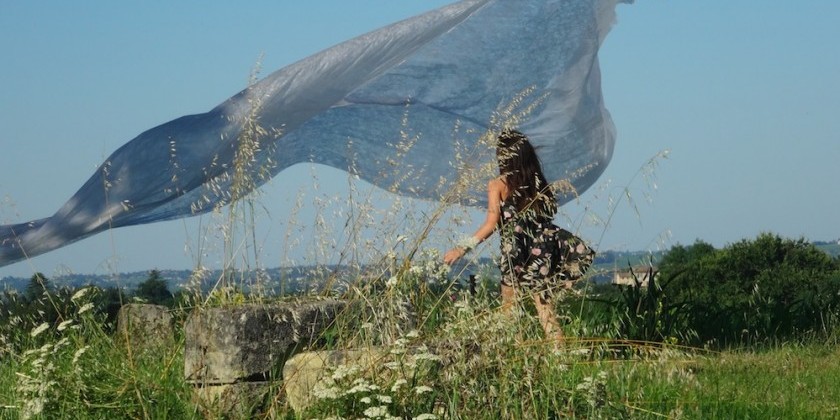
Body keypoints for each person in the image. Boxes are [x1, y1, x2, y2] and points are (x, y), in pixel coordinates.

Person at [444, 129, 595, 340]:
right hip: (543, 250)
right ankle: (561, 359)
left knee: (509, 313)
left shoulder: (497, 185)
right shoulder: (538, 184)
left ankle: (510, 360)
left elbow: (490, 224)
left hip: (515, 253)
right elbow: (548, 215)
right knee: (546, 313)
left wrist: (461, 248)